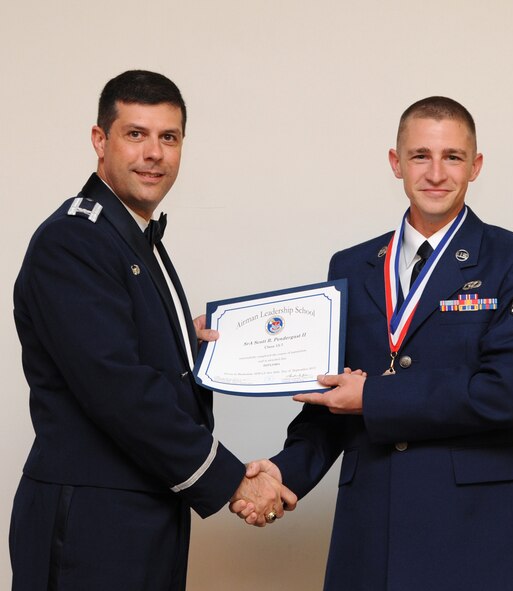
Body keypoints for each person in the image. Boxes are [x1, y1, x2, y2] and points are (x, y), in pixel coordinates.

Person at [236, 96, 513, 590]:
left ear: (475, 166)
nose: (436, 173)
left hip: (482, 526)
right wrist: (283, 473)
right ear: (396, 162)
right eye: (420, 156)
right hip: (375, 522)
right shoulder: (351, 266)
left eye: (452, 157)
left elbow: (507, 393)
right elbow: (332, 400)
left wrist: (372, 396)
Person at [9, 70, 296, 591]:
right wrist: (231, 480)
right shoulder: (74, 240)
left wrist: (182, 340)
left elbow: (121, 348)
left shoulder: (130, 235)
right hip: (92, 522)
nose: (154, 154)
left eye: (169, 137)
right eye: (136, 134)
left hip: (142, 508)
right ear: (100, 140)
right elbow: (118, 388)